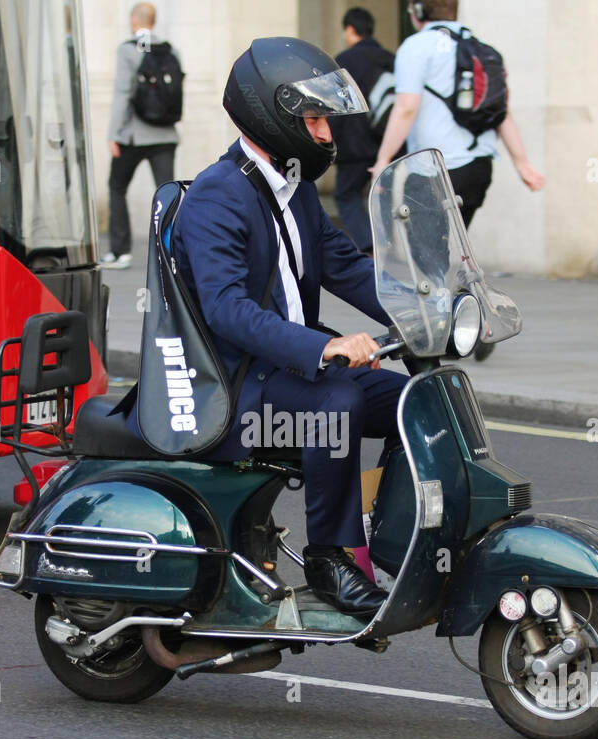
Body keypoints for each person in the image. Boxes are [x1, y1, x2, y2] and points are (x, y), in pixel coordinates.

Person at [162, 37, 407, 617]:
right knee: (338, 403)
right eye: (315, 120)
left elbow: (347, 267)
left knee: (414, 402)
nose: (325, 134)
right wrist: (326, 347)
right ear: (269, 114)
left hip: (288, 372)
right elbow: (227, 309)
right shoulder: (217, 196)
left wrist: (428, 308)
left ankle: (391, 534)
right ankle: (329, 555)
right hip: (237, 387)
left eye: (326, 121)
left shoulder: (293, 191)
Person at [373, 0, 543, 359]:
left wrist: (384, 159)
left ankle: (454, 330)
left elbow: (405, 106)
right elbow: (501, 114)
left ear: (418, 11)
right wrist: (523, 163)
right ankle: (474, 319)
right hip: (479, 168)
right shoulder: (481, 48)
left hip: (435, 169)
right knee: (455, 252)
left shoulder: (416, 47)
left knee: (428, 260)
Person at [103, 2, 181, 270]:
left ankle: (120, 251)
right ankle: (171, 251)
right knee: (168, 194)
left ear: (134, 21)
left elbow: (122, 93)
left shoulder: (127, 50)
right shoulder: (170, 50)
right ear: (154, 21)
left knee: (116, 186)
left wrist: (113, 134)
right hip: (166, 135)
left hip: (134, 136)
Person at [329, 7, 394, 254]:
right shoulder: (390, 58)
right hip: (385, 143)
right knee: (383, 198)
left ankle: (369, 245)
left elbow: (336, 107)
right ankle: (387, 243)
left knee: (346, 196)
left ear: (349, 29)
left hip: (354, 146)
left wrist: (329, 143)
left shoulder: (345, 60)